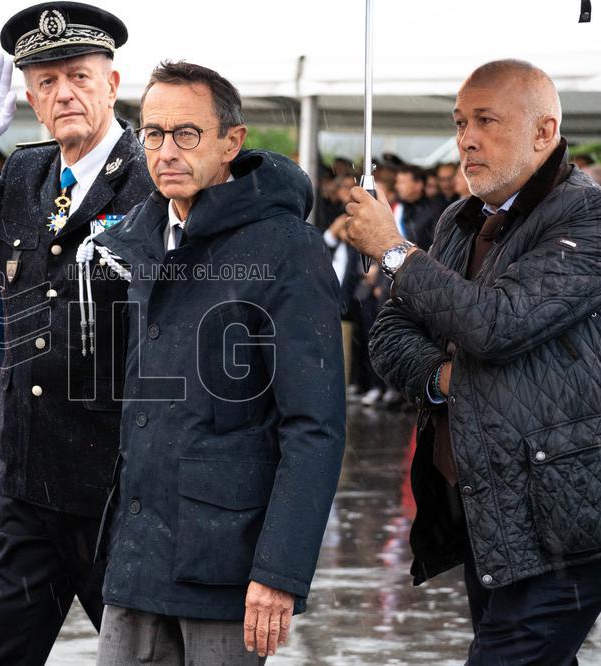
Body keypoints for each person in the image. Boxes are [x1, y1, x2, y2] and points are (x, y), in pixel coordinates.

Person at [0, 3, 154, 663]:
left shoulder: (155, 179)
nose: (63, 93)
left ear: (113, 82)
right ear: (29, 98)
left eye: (78, 75)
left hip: (120, 491)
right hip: (30, 484)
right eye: (46, 83)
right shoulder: (26, 172)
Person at [344, 59, 601, 664]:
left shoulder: (586, 215)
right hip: (488, 509)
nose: (466, 139)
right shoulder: (463, 220)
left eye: (486, 121)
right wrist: (442, 379)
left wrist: (396, 251)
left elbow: (494, 324)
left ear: (544, 132)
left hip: (561, 518)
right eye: (460, 122)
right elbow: (391, 331)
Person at [89, 61, 345, 665]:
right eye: (152, 133)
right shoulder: (140, 234)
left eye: (187, 134)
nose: (165, 150)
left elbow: (315, 425)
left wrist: (279, 570)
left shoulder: (286, 248)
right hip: (138, 554)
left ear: (233, 141)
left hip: (227, 563)